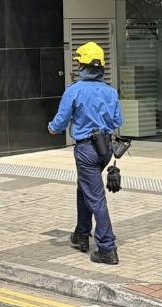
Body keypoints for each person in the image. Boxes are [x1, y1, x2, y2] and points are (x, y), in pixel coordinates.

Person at [48, 42, 124, 265]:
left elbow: (61, 122)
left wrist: (51, 128)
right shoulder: (110, 91)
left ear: (81, 65)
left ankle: (107, 247)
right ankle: (81, 234)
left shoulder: (74, 90)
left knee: (94, 196)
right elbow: (118, 120)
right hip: (105, 149)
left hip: (86, 149)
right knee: (85, 189)